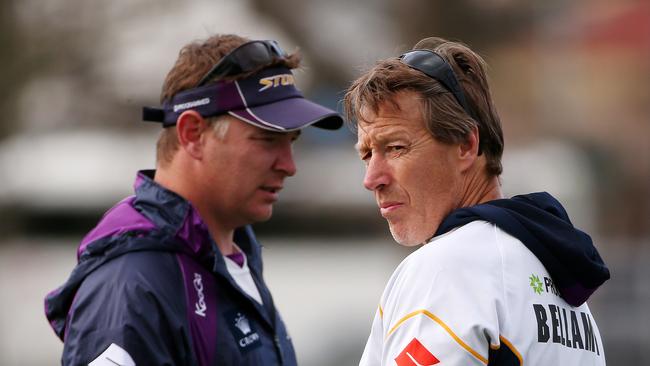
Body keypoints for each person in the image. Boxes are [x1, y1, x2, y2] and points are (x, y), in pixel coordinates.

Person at [44, 34, 342, 365]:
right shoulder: (132, 287)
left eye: (292, 141)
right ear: (193, 134)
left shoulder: (230, 258)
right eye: (268, 139)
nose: (290, 166)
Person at [344, 37, 610, 365]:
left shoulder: (448, 267)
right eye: (367, 155)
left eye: (396, 148)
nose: (372, 179)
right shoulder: (564, 290)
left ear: (466, 146)